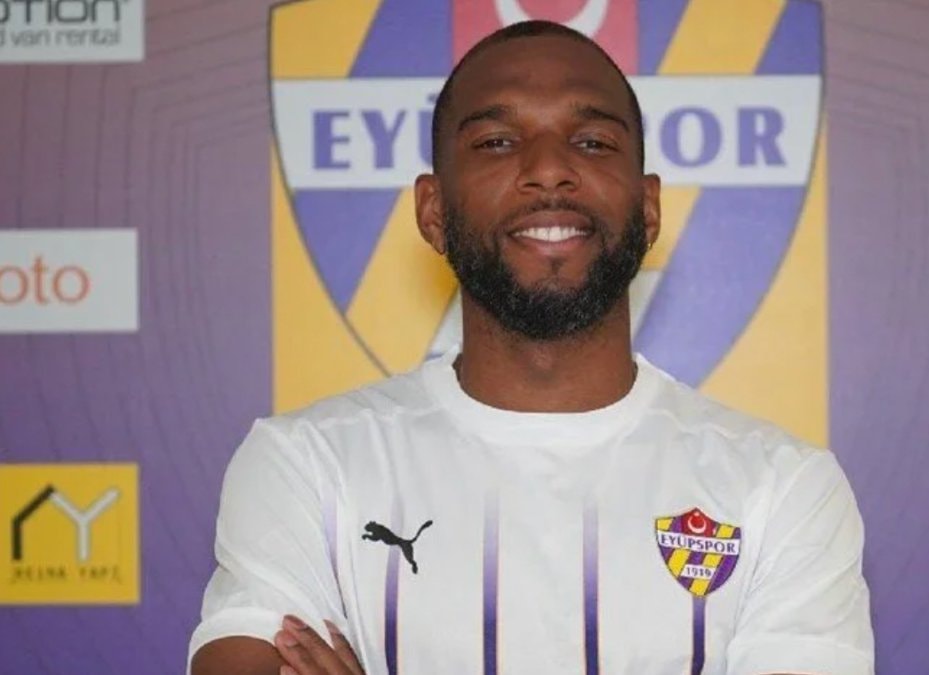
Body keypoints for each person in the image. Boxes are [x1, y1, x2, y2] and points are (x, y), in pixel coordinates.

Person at [189, 19, 873, 675]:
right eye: (496, 142)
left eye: (592, 142)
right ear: (433, 211)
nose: (548, 169)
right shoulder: (307, 465)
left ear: (648, 208)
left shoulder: (782, 487)